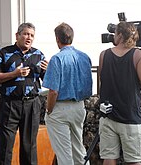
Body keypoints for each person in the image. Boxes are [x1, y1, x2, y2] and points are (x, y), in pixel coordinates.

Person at [98, 21, 141, 165]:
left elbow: (102, 79)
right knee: (133, 160)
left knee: (109, 157)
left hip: (108, 114)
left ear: (120, 35)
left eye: (115, 33)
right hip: (130, 116)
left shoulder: (104, 54)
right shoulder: (139, 55)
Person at [0, 22, 48, 165]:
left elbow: (46, 81)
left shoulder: (38, 55)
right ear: (17, 35)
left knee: (29, 146)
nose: (29, 38)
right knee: (6, 146)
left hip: (32, 104)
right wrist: (14, 74)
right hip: (10, 104)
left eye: (32, 35)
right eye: (26, 34)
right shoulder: (4, 53)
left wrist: (48, 71)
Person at [42, 22, 92, 165]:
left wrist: (49, 110)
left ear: (57, 39)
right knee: (79, 149)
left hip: (60, 108)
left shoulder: (57, 59)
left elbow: (53, 91)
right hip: (79, 106)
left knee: (64, 153)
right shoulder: (84, 57)